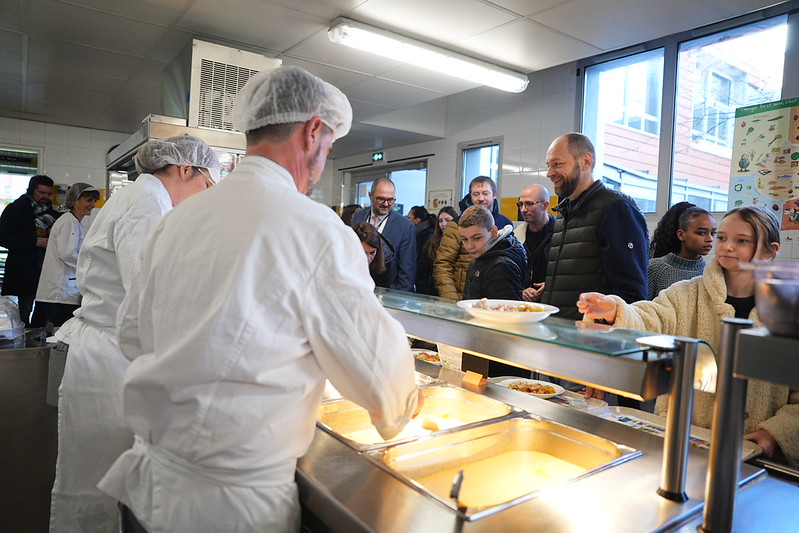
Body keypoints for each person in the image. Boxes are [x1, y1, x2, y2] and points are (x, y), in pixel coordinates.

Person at [98, 65, 421, 533]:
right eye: (328, 147)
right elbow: (378, 371)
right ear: (313, 132)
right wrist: (405, 408)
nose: (323, 160)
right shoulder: (315, 229)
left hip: (148, 488)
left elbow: (131, 334)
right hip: (229, 507)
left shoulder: (178, 219)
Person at [49, 135, 221, 533]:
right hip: (107, 356)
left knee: (101, 477)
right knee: (95, 481)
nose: (204, 195)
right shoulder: (146, 205)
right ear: (184, 169)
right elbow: (151, 292)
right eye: (205, 185)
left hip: (112, 349)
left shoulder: (144, 199)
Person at [578, 206, 799, 467]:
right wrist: (615, 310)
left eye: (741, 241)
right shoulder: (687, 293)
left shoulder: (788, 310)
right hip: (681, 440)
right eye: (722, 237)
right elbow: (653, 317)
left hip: (755, 454)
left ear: (769, 250)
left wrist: (776, 433)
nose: (726, 247)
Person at [536, 133, 649, 318]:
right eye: (549, 166)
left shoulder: (616, 209)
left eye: (557, 164)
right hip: (561, 332)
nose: (549, 173)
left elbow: (632, 294)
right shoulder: (564, 213)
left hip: (592, 338)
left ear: (586, 162)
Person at [434, 176, 512, 300]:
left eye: (485, 193)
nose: (481, 198)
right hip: (462, 297)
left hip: (494, 297)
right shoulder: (456, 225)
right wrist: (452, 301)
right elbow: (443, 265)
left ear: (494, 194)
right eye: (476, 194)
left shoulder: (506, 224)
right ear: (470, 196)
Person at [34, 183, 100, 327]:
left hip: (61, 292)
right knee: (57, 335)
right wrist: (90, 267)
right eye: (89, 200)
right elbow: (68, 254)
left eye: (94, 201)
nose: (93, 205)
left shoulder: (73, 222)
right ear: (75, 201)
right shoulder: (69, 221)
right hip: (59, 293)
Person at [0, 174, 61, 326]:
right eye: (42, 193)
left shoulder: (52, 213)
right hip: (24, 271)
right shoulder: (16, 209)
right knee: (23, 312)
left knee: (44, 312)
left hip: (46, 271)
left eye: (48, 193)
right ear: (32, 190)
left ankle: (36, 342)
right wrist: (35, 241)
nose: (46, 197)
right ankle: (22, 344)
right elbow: (3, 237)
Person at [351, 178, 416, 291]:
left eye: (390, 200)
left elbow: (407, 271)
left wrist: (397, 299)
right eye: (381, 199)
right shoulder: (359, 215)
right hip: (358, 287)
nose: (386, 204)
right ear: (371, 195)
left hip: (387, 292)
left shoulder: (405, 227)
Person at [648, 202, 716, 299]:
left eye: (713, 233)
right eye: (701, 233)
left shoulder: (710, 272)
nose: (710, 239)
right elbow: (640, 309)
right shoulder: (655, 269)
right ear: (681, 235)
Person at [460, 205, 527, 300]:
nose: (470, 246)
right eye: (465, 239)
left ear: (494, 232)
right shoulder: (479, 258)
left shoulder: (501, 266)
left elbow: (507, 312)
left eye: (477, 238)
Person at [514, 184, 555, 302]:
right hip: (524, 304)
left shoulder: (561, 234)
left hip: (552, 304)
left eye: (529, 204)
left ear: (545, 205)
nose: (523, 209)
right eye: (520, 204)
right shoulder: (516, 237)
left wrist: (551, 286)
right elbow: (510, 273)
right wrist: (521, 290)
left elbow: (569, 271)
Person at [416, 206, 458, 296]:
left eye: (447, 220)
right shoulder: (431, 243)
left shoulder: (462, 242)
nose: (443, 224)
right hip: (433, 293)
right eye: (440, 221)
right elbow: (421, 273)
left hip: (454, 292)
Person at [407, 205, 436, 293]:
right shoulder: (417, 234)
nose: (406, 220)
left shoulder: (428, 237)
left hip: (426, 285)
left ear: (417, 220)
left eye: (409, 218)